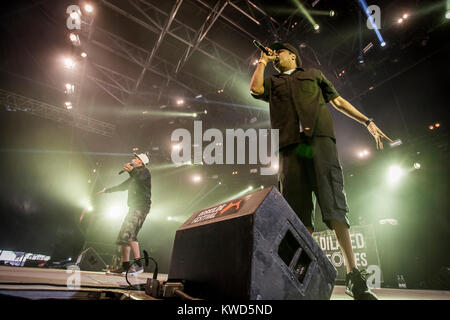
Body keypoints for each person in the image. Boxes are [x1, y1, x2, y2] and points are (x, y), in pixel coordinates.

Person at [250, 42, 392, 300]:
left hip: (320, 143)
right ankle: (303, 274)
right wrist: (262, 61)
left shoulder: (313, 74)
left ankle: (353, 276)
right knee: (298, 211)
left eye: (278, 51)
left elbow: (338, 101)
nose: (274, 55)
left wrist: (367, 121)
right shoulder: (273, 81)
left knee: (334, 202)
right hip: (290, 147)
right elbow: (255, 88)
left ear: (292, 55)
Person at [97, 153, 151, 275]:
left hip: (141, 207)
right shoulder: (134, 175)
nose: (133, 159)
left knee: (130, 234)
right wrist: (107, 190)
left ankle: (138, 266)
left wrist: (131, 171)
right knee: (123, 237)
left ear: (140, 162)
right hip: (133, 208)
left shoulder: (145, 172)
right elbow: (122, 186)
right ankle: (125, 266)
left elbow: (140, 179)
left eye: (136, 158)